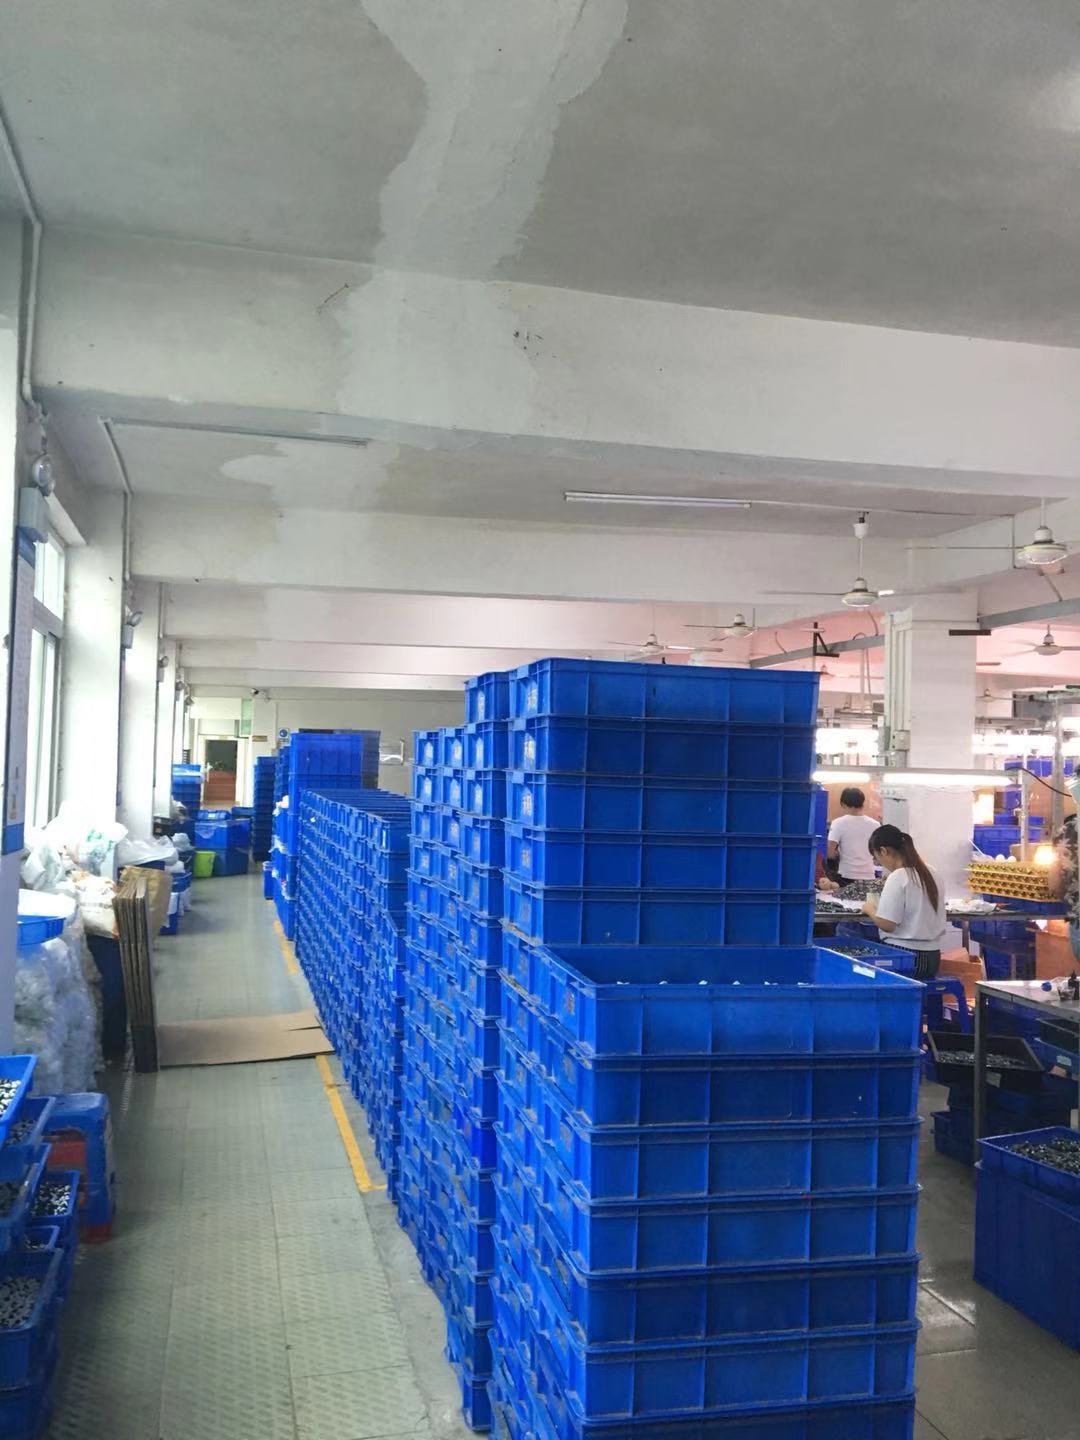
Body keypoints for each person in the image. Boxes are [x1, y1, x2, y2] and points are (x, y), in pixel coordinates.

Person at [861, 824, 946, 980]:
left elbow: (888, 924)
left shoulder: (898, 876)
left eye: (877, 857)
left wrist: (870, 909)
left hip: (905, 958)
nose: (879, 863)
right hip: (933, 957)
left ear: (884, 851)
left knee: (862, 972)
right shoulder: (932, 872)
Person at [827, 788, 878, 884]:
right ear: (862, 803)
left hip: (845, 877)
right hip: (869, 876)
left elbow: (829, 853)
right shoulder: (875, 824)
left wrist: (837, 855)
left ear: (843, 804)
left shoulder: (838, 823)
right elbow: (877, 854)